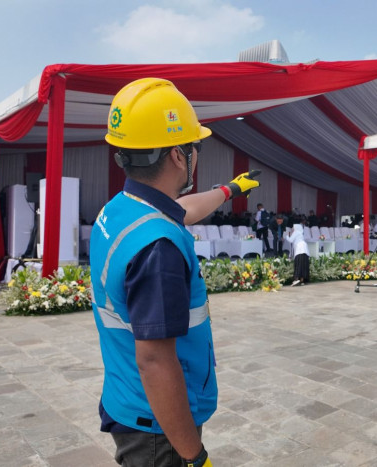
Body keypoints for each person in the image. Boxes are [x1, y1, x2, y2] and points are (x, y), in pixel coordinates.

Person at [91, 78, 260, 466]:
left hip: (130, 400)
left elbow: (184, 209)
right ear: (178, 156)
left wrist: (230, 189)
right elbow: (154, 360)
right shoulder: (158, 248)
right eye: (194, 146)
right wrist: (193, 455)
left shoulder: (120, 210)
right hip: (158, 431)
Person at [287, 216, 310, 286]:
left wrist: (287, 235)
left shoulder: (296, 232)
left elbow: (290, 240)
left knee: (299, 264)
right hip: (304, 249)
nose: (292, 229)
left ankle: (296, 279)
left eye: (293, 228)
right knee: (303, 264)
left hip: (300, 249)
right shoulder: (300, 233)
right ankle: (302, 280)